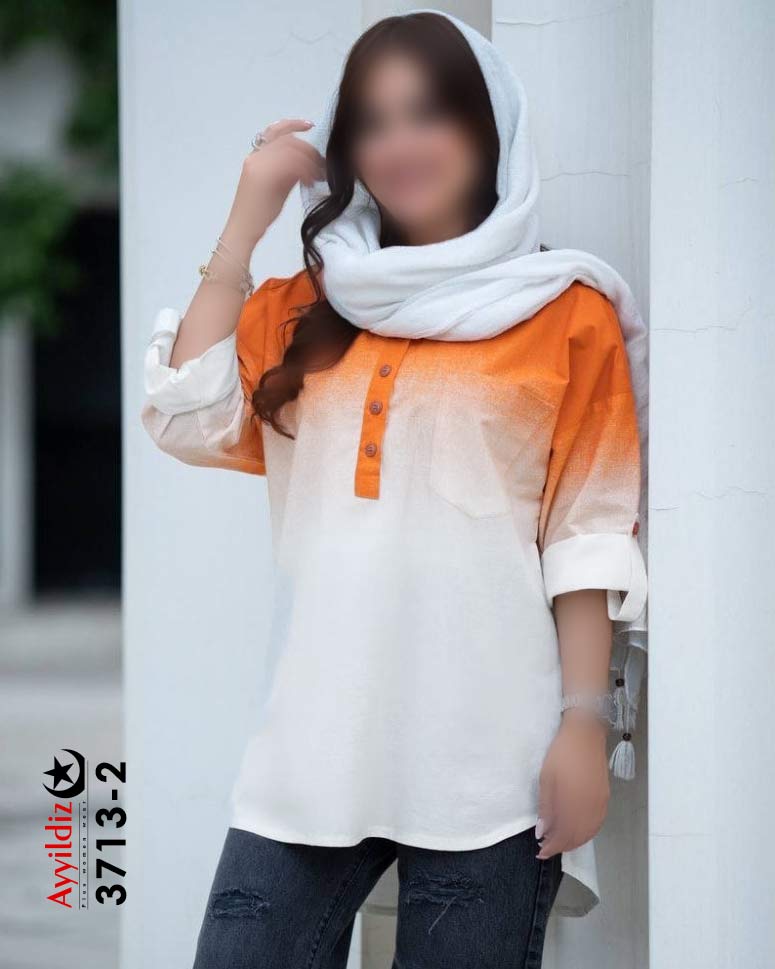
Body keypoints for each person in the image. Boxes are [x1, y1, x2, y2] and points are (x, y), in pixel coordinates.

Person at [140, 8, 649, 968]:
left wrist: (584, 724)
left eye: (427, 113)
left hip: (489, 761)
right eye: (372, 122)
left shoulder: (566, 312)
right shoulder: (304, 307)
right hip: (310, 746)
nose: (398, 145)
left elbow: (584, 532)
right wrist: (249, 213)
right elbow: (183, 417)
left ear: (488, 128)